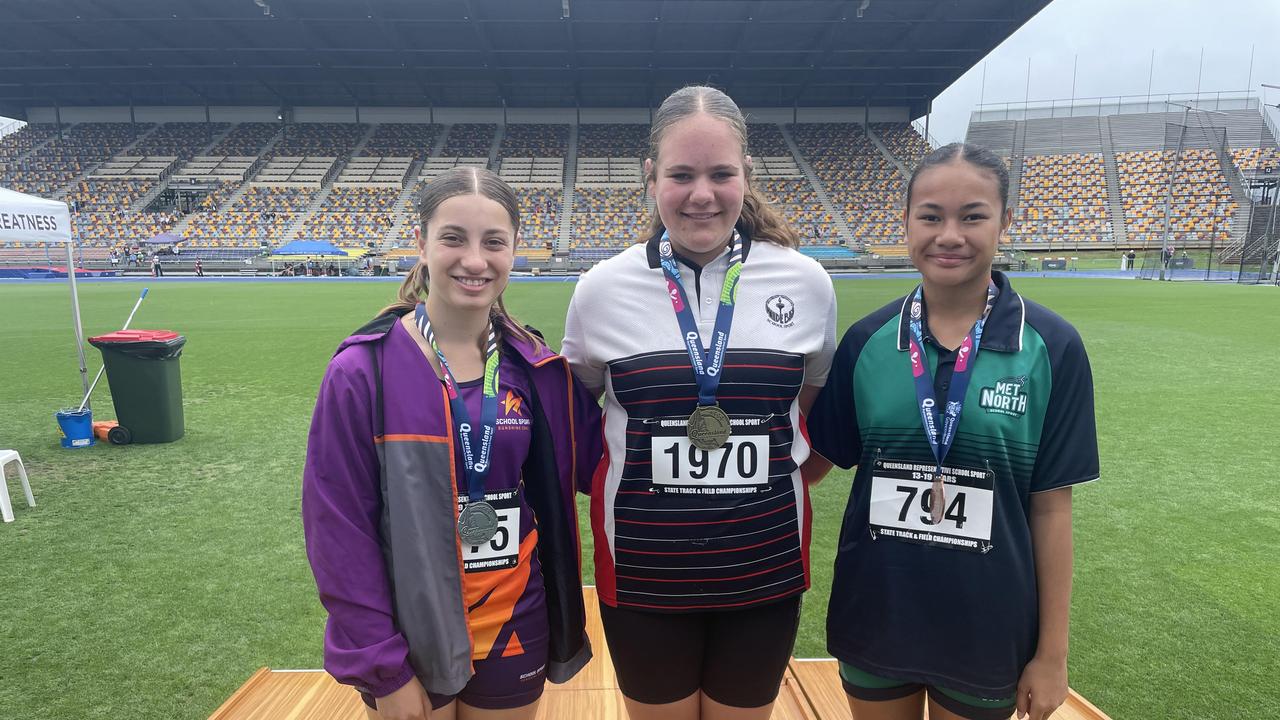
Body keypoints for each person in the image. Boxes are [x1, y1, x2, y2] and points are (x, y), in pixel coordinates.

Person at [560, 85, 837, 720]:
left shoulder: (805, 282)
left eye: (721, 174)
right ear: (652, 177)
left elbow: (811, 416)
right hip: (642, 570)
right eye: (681, 175)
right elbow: (577, 420)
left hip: (764, 563)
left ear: (746, 176)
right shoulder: (602, 289)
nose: (702, 194)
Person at [805, 143, 1099, 720]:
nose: (949, 235)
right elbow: (816, 462)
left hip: (987, 621)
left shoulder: (1052, 347)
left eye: (972, 215)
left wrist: (1052, 654)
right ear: (907, 221)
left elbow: (1052, 508)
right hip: (878, 610)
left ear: (1005, 222)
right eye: (931, 216)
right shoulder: (867, 342)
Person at [303, 167, 603, 720]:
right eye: (453, 238)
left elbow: (609, 461)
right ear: (421, 244)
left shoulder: (537, 370)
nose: (474, 260)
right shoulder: (361, 371)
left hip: (516, 620)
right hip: (410, 633)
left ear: (515, 251)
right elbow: (338, 530)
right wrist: (381, 665)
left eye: (494, 242)